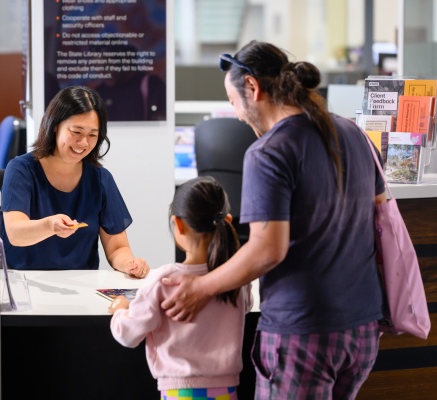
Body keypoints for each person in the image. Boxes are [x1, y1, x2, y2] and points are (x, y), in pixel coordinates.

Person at [160, 40, 386, 399]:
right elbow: (381, 213)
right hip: (362, 330)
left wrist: (201, 287)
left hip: (303, 331)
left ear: (252, 87)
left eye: (233, 101)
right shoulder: (353, 133)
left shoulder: (269, 152)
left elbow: (268, 249)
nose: (235, 113)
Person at [109, 176, 253, 400]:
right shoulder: (235, 279)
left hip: (180, 392)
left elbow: (127, 335)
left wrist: (119, 310)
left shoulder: (163, 281)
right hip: (226, 391)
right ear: (227, 220)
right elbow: (247, 305)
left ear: (178, 225)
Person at [0, 85, 150, 278]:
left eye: (92, 135)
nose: (84, 143)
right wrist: (49, 226)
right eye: (76, 132)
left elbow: (117, 248)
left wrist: (130, 263)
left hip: (82, 288)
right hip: (25, 283)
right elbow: (15, 233)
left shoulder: (100, 179)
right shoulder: (21, 170)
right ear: (55, 126)